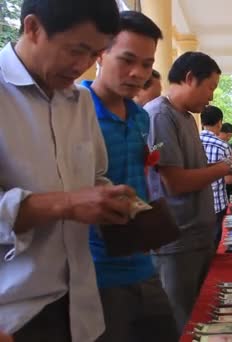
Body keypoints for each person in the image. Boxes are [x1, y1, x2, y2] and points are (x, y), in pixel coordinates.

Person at [0, 1, 134, 341]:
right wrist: (67, 204)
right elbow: (72, 197)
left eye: (94, 54)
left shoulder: (80, 102)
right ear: (32, 28)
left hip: (82, 306)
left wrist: (109, 198)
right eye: (76, 50)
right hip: (14, 315)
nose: (83, 66)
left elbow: (93, 178)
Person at [145, 51, 232, 331]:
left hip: (196, 234)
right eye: (210, 87)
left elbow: (194, 167)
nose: (211, 97)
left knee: (199, 315)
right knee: (181, 320)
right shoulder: (160, 115)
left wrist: (231, 162)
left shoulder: (185, 117)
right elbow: (176, 181)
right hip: (176, 239)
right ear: (189, 79)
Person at [81, 11, 178, 342]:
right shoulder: (74, 113)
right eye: (127, 60)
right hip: (95, 271)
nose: (138, 73)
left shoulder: (140, 118)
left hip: (143, 261)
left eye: (147, 64)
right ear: (100, 53)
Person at [200, 105, 232, 250]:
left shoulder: (191, 141)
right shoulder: (223, 146)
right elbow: (229, 180)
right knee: (212, 245)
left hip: (195, 202)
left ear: (202, 123)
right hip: (217, 203)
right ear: (219, 122)